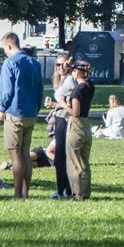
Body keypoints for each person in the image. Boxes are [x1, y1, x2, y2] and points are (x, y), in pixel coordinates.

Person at [0, 32, 44, 199]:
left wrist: (2, 109)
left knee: (15, 154)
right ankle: (26, 192)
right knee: (25, 153)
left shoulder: (10, 63)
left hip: (15, 112)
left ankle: (17, 193)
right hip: (31, 113)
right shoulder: (35, 63)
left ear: (9, 46)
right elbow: (40, 89)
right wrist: (37, 108)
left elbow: (7, 91)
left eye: (5, 49)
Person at [46, 53, 75, 198]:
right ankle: (63, 188)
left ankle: (64, 190)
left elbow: (68, 104)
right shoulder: (60, 80)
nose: (60, 67)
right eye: (57, 64)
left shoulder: (69, 80)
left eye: (63, 64)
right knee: (59, 156)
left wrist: (54, 104)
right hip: (59, 117)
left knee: (62, 156)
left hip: (64, 119)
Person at [63, 63, 94, 200]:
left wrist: (62, 104)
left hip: (76, 125)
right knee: (84, 162)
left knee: (74, 161)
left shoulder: (77, 91)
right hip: (86, 125)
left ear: (79, 72)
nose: (73, 73)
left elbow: (75, 112)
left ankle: (78, 193)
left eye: (74, 71)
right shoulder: (90, 87)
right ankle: (86, 192)